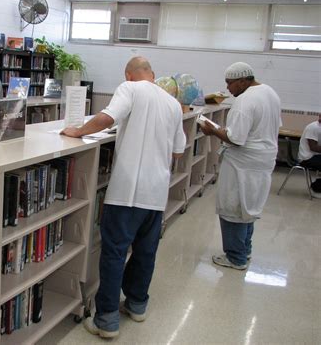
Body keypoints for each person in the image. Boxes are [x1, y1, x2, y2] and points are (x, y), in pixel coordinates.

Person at [61, 56, 186, 338]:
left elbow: (108, 118)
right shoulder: (172, 103)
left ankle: (106, 320)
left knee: (115, 253)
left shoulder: (129, 89)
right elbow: (178, 150)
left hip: (127, 193)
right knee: (145, 251)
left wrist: (78, 131)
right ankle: (137, 305)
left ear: (129, 75)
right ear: (152, 74)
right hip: (156, 194)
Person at [200, 62, 281, 270]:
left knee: (233, 208)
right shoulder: (270, 93)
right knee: (249, 208)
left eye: (230, 83)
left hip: (243, 163)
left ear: (243, 80)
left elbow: (236, 139)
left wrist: (212, 130)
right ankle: (245, 250)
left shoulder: (245, 101)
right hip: (263, 160)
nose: (228, 88)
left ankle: (236, 257)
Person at [298, 114, 321, 197]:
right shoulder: (314, 127)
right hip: (307, 158)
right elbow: (313, 147)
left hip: (315, 156)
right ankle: (316, 189)